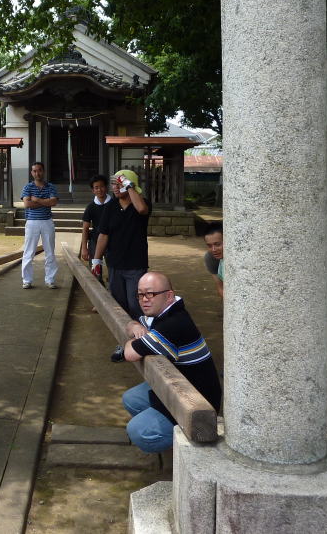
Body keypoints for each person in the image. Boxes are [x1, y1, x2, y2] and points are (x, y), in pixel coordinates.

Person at [119, 271, 222, 453]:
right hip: (181, 386)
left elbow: (130, 353)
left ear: (168, 296)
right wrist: (134, 326)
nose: (144, 299)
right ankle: (166, 430)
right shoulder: (162, 312)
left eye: (150, 293)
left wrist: (129, 342)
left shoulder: (174, 323)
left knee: (137, 431)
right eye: (140, 294)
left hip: (198, 404)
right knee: (131, 399)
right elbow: (136, 323)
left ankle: (186, 449)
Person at [92, 169, 151, 320]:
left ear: (130, 185)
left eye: (120, 184)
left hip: (135, 265)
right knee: (119, 305)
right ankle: (125, 340)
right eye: (114, 184)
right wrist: (96, 260)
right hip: (114, 264)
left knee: (135, 304)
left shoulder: (143, 204)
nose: (116, 188)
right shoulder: (110, 207)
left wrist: (129, 185)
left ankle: (140, 339)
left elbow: (142, 209)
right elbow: (103, 234)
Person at [20, 161, 59, 289]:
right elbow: (27, 204)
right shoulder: (27, 187)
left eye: (40, 170)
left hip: (47, 221)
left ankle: (50, 279)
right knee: (28, 252)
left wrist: (36, 200)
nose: (37, 173)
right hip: (32, 222)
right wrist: (45, 202)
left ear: (44, 171)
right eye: (35, 171)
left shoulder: (51, 186)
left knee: (50, 252)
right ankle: (27, 280)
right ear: (31, 173)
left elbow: (53, 202)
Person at [80, 175, 113, 281]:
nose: (100, 189)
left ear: (106, 187)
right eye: (96, 187)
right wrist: (84, 248)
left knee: (114, 270)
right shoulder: (91, 207)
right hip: (94, 241)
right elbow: (85, 228)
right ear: (93, 190)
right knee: (95, 272)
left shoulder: (114, 204)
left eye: (102, 186)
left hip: (112, 242)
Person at [202, 221, 224, 300]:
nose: (213, 250)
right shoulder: (210, 258)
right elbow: (220, 287)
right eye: (209, 246)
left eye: (217, 244)